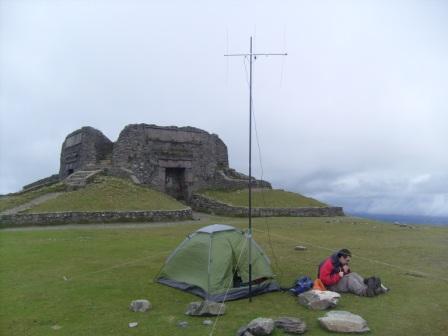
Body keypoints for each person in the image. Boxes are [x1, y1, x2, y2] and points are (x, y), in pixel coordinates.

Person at [317, 248, 387, 297]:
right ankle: (364, 292)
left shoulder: (339, 261)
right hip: (329, 287)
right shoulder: (329, 264)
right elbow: (324, 280)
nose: (348, 262)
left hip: (335, 282)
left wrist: (346, 271)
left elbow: (343, 273)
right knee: (349, 278)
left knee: (353, 274)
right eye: (347, 260)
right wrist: (339, 275)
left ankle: (370, 286)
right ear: (341, 257)